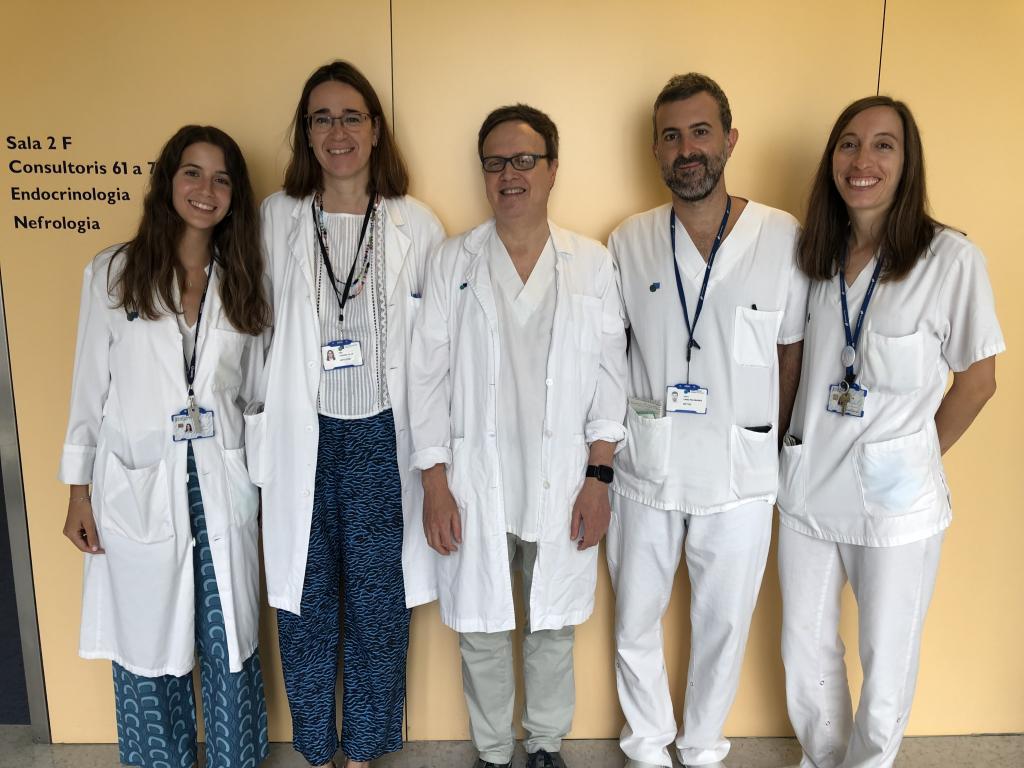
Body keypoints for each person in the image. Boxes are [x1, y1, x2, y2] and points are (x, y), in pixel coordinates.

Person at [777, 96, 1003, 768]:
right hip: (809, 486)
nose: (863, 160)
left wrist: (915, 456)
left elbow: (979, 380)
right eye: (848, 143)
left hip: (895, 503)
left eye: (883, 145)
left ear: (908, 162)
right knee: (804, 651)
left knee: (887, 658)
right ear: (832, 160)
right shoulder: (815, 255)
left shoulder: (950, 259)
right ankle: (825, 760)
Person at [408, 104, 627, 768]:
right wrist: (435, 484)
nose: (510, 174)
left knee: (551, 624)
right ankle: (494, 752)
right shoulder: (453, 260)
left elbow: (611, 377)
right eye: (496, 162)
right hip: (475, 482)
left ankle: (545, 746)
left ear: (553, 169)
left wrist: (598, 478)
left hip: (562, 479)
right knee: (481, 627)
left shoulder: (590, 263)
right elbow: (426, 378)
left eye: (525, 160)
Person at [606, 73, 808, 768]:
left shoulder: (781, 236)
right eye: (671, 136)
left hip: (741, 470)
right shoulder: (629, 241)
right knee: (635, 618)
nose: (686, 149)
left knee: (723, 624)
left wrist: (770, 442)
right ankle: (645, 745)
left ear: (729, 139)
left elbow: (791, 351)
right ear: (655, 150)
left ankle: (700, 748)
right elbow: (612, 354)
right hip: (647, 465)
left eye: (700, 132)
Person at [59, 125, 271, 768]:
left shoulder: (243, 279)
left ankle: (236, 760)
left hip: (220, 484)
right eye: (192, 173)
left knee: (228, 640)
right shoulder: (114, 273)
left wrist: (267, 481)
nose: (206, 190)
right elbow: (88, 391)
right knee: (148, 640)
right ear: (167, 181)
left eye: (222, 178)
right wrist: (78, 491)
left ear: (234, 195)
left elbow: (255, 394)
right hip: (140, 483)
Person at [254, 60, 445, 768]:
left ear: (375, 129)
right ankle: (315, 749)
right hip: (301, 433)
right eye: (322, 118)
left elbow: (435, 351)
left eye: (351, 117)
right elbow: (255, 331)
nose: (338, 132)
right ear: (306, 133)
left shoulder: (415, 223)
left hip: (381, 435)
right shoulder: (276, 217)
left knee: (377, 606)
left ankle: (362, 752)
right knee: (304, 607)